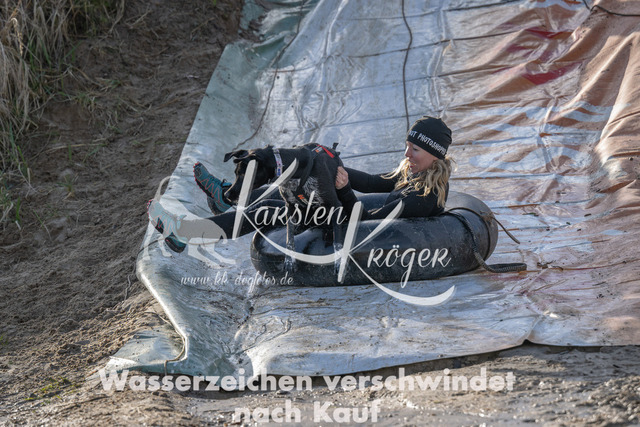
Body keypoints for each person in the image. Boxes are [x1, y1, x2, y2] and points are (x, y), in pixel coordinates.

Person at [147, 116, 454, 253]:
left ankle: (186, 231)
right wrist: (327, 164)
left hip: (346, 232)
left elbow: (367, 220)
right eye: (407, 146)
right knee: (279, 193)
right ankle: (227, 198)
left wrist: (344, 190)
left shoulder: (423, 198)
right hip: (341, 216)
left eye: (415, 149)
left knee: (265, 211)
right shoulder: (411, 174)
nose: (406, 154)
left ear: (435, 155)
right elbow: (373, 181)